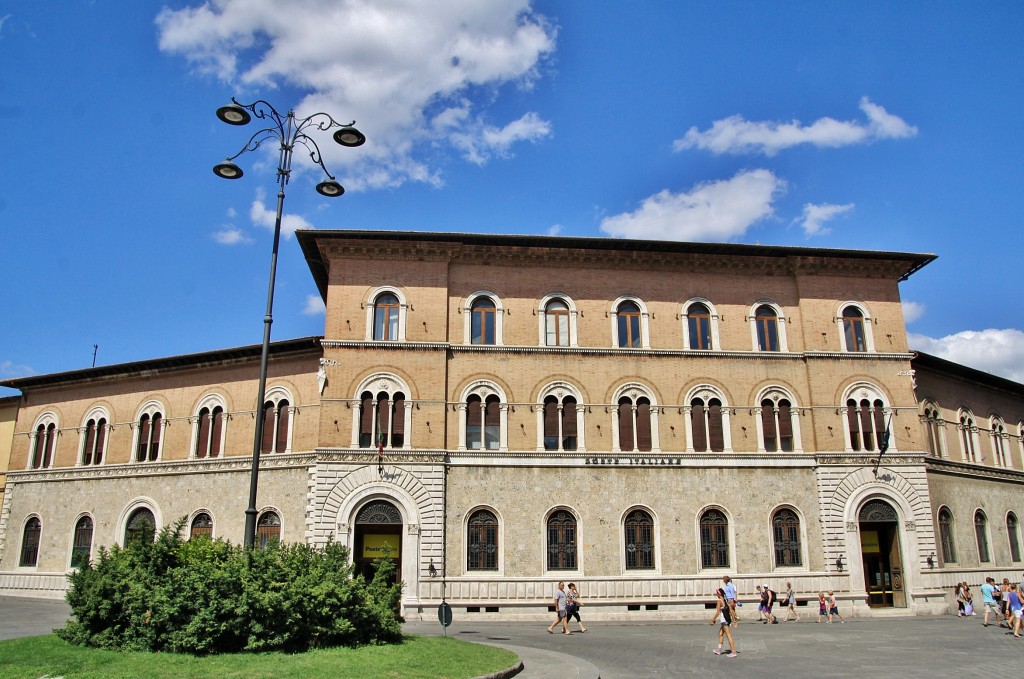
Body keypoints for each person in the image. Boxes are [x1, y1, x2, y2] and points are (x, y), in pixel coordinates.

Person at [710, 587, 738, 657]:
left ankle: (733, 651)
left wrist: (713, 620)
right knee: (720, 634)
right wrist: (734, 621)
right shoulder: (726, 600)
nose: (716, 594)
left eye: (717, 593)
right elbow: (731, 611)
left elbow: (718, 612)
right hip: (727, 620)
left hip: (724, 621)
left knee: (729, 635)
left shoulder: (719, 601)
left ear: (719, 594)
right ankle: (719, 649)